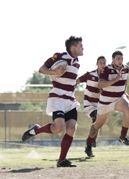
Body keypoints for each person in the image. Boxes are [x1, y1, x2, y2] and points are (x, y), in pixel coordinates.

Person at [22, 36, 83, 167]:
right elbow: (42, 69)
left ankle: (61, 160)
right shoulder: (59, 56)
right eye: (80, 46)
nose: (83, 48)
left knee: (71, 128)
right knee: (59, 128)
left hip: (70, 100)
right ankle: (36, 130)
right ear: (73, 48)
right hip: (57, 98)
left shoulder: (77, 62)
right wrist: (53, 71)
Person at [85, 50, 129, 157]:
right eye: (118, 59)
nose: (120, 61)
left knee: (128, 110)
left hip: (119, 98)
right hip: (106, 101)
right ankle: (88, 144)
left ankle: (122, 137)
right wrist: (115, 80)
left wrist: (124, 91)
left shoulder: (126, 68)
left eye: (121, 59)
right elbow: (100, 85)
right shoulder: (106, 70)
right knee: (97, 125)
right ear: (112, 59)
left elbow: (125, 79)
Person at [75, 56, 106, 148]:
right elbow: (77, 81)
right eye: (100, 63)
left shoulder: (107, 77)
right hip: (89, 103)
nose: (102, 65)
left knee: (97, 123)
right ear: (97, 64)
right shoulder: (90, 74)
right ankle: (91, 141)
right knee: (96, 117)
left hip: (100, 104)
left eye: (104, 63)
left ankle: (91, 142)